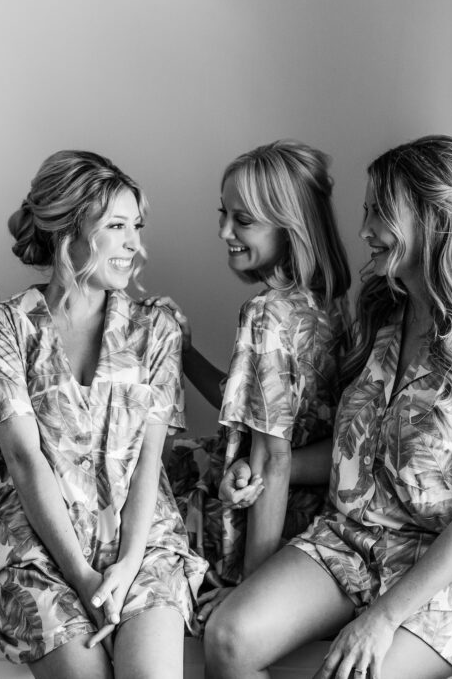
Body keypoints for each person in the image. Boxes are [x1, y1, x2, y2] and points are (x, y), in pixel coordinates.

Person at [204, 135, 452, 679]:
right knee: (228, 638)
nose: (364, 229)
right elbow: (360, 456)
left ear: (432, 220)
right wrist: (262, 465)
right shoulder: (384, 318)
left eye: (379, 214)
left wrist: (382, 619)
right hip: (353, 540)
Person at [0, 150, 206, 678]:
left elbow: (150, 464)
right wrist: (81, 576)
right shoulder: (5, 327)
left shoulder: (156, 328)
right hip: (38, 549)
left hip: (142, 542)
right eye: (117, 226)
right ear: (68, 230)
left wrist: (126, 566)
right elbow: (24, 461)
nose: (134, 244)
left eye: (136, 227)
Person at [146, 140, 351, 621]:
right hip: (314, 516)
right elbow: (256, 407)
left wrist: (251, 590)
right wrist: (184, 351)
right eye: (223, 214)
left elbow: (274, 460)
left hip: (264, 530)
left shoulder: (265, 314)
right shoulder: (327, 304)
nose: (224, 231)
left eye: (242, 220)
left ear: (289, 225)